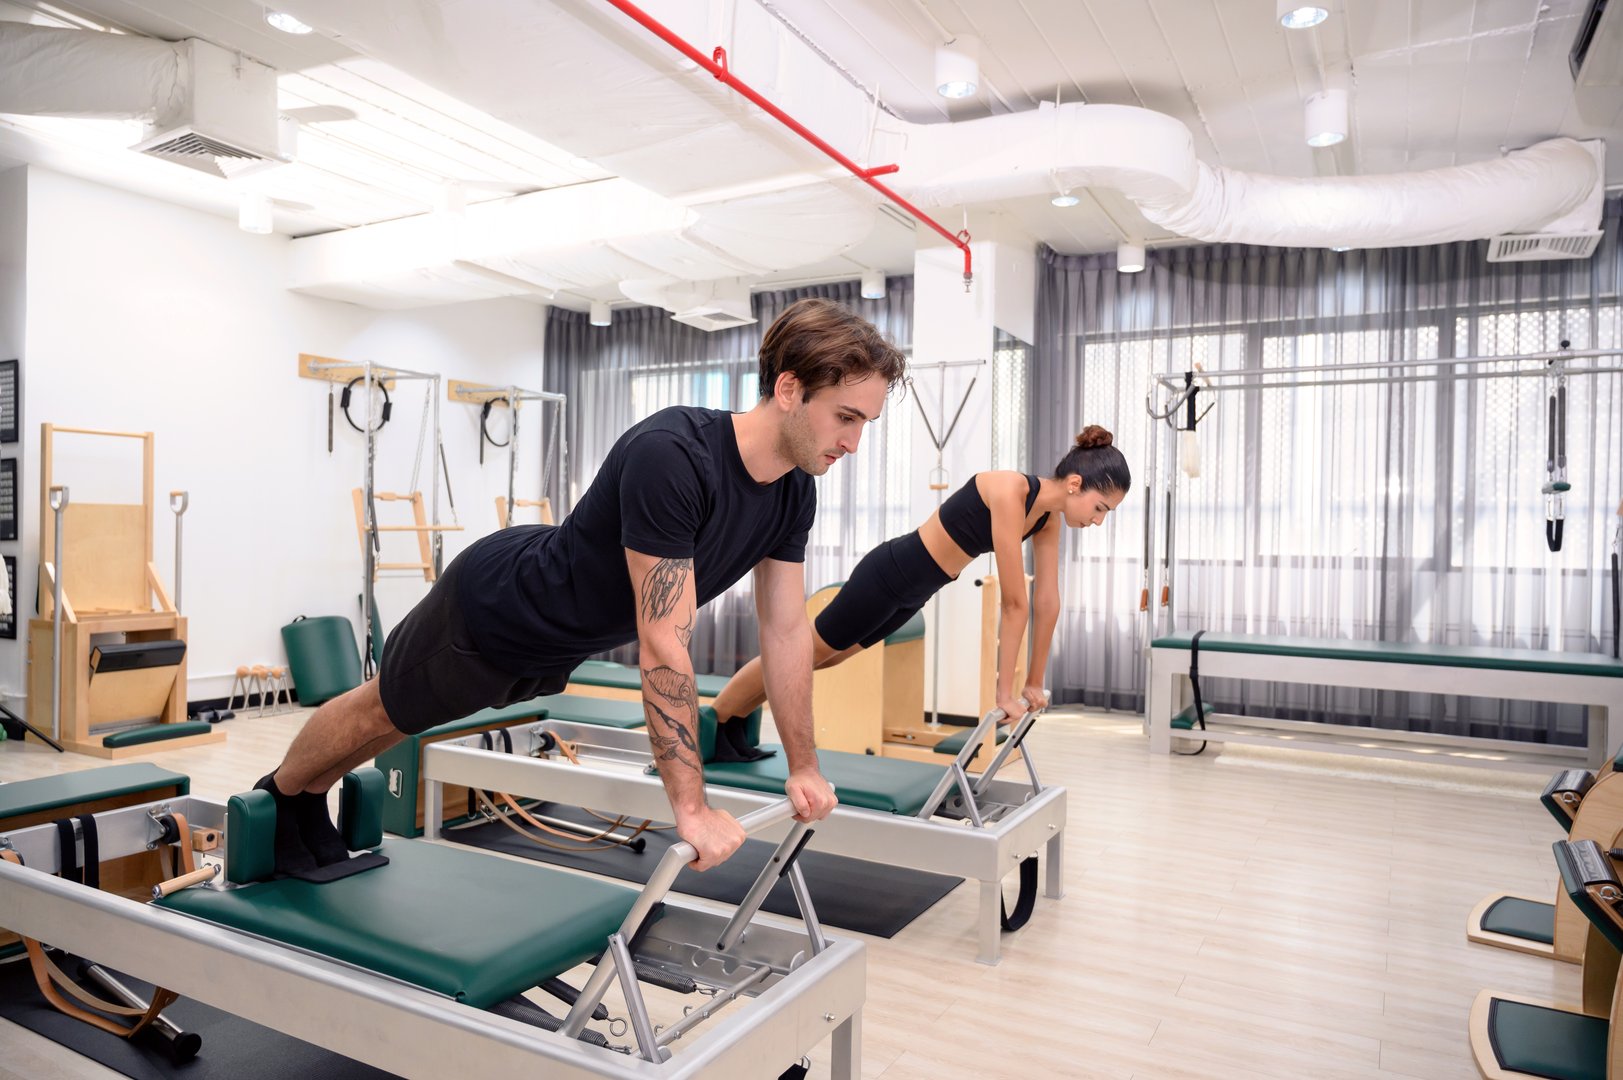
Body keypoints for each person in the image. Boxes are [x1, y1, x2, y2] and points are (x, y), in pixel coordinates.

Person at [259, 297, 908, 877]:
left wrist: (804, 765)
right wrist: (690, 808)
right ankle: (281, 797)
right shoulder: (675, 454)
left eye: (863, 425)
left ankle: (308, 798)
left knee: (404, 717)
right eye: (844, 417)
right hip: (497, 610)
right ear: (789, 388)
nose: (851, 442)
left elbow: (788, 631)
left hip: (554, 646)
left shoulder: (792, 493)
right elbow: (664, 644)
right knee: (381, 709)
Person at [707, 426, 1130, 749]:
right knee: (804, 652)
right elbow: (1016, 602)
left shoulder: (1046, 518)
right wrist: (1004, 692)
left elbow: (1047, 602)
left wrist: (1033, 682)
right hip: (892, 572)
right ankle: (711, 723)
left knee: (824, 660)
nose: (1098, 521)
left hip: (916, 591)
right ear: (1075, 483)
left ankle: (732, 723)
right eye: (1100, 508)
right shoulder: (1009, 490)